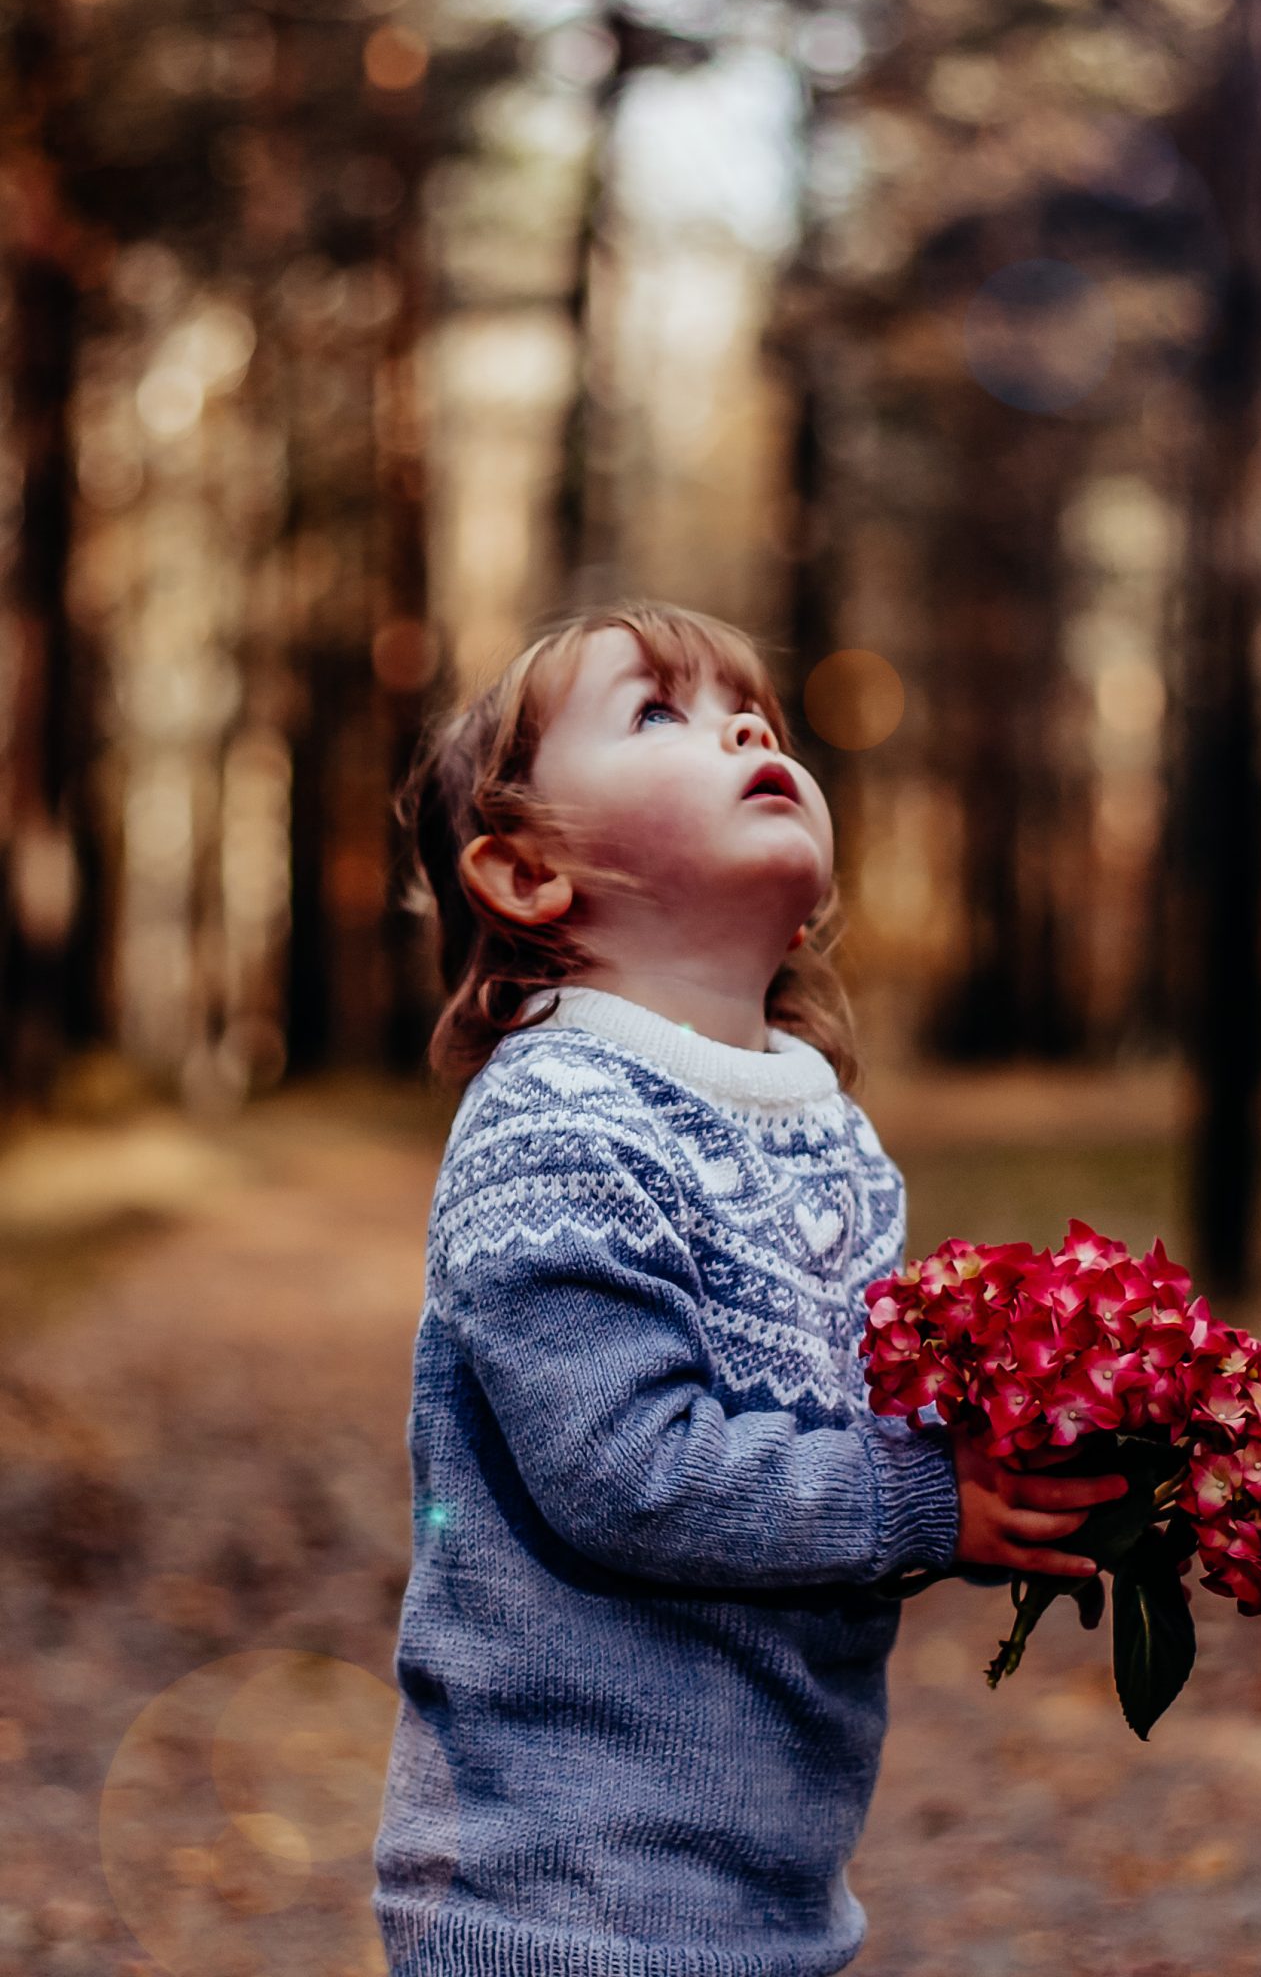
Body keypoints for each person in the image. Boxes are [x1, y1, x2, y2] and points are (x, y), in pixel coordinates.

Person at [371, 597, 1127, 1977]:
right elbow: (625, 1468)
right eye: (657, 711)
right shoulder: (559, 1114)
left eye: (752, 712)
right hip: (562, 1892)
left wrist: (1025, 1443)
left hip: (765, 1877)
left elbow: (844, 1439)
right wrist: (916, 1498)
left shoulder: (827, 1130)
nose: (739, 725)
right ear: (528, 874)